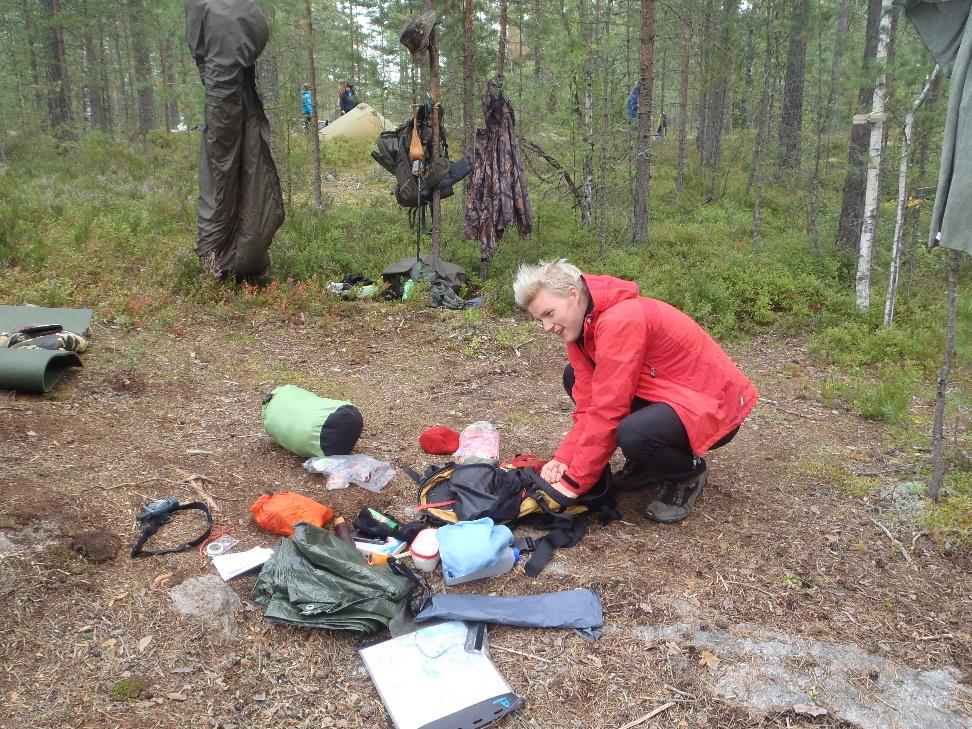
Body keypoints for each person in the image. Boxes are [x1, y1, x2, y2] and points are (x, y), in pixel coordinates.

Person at [513, 259, 758, 524]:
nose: (547, 327)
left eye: (549, 314)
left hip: (716, 405)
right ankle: (646, 464)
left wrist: (573, 484)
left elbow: (609, 410)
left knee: (633, 432)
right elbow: (588, 406)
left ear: (573, 294)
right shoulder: (581, 329)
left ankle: (687, 474)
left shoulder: (621, 319)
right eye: (540, 320)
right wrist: (564, 459)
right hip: (669, 394)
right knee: (573, 377)